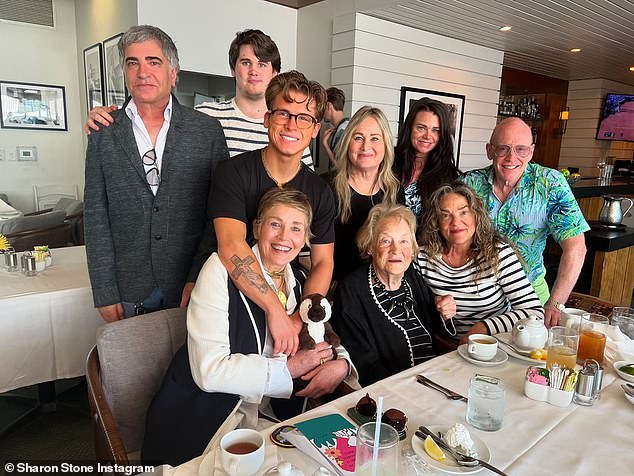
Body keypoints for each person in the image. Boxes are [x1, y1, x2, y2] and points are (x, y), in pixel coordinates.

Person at [141, 188, 357, 466]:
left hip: (274, 419)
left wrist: (342, 365)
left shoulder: (302, 281)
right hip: (206, 419)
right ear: (256, 228)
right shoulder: (218, 271)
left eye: (295, 228)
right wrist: (289, 370)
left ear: (305, 238)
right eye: (275, 224)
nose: (283, 238)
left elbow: (327, 336)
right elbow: (209, 372)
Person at [84, 25, 229, 322]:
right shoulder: (104, 132)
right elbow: (95, 217)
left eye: (153, 61)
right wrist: (104, 290)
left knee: (188, 367)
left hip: (191, 283)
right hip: (128, 288)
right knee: (133, 368)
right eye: (132, 62)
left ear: (173, 74)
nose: (142, 72)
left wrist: (199, 274)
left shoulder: (206, 131)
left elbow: (217, 213)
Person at [211, 70, 334, 356]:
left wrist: (298, 316)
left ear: (315, 129)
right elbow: (230, 245)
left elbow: (323, 263)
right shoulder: (233, 173)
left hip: (291, 299)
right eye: (283, 114)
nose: (292, 125)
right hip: (229, 297)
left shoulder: (320, 192)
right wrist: (274, 310)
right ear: (267, 119)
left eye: (303, 118)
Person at [84, 29, 313, 168]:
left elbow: (302, 186)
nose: (254, 71)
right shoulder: (205, 117)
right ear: (233, 70)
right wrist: (108, 117)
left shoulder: (291, 128)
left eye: (262, 64)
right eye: (245, 63)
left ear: (275, 73)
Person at [461, 117, 589, 327]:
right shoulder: (468, 184)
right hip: (477, 298)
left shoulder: (550, 183)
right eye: (503, 148)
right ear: (489, 151)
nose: (511, 157)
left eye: (521, 149)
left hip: (530, 296)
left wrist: (555, 303)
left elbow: (576, 248)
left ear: (531, 151)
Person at [330, 204, 455, 386]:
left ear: (412, 248)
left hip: (435, 377)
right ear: (370, 247)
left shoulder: (412, 276)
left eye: (404, 241)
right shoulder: (352, 290)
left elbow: (436, 329)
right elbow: (363, 361)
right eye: (386, 241)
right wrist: (405, 390)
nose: (396, 250)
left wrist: (445, 311)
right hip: (393, 390)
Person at [417, 182, 544, 344]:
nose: (456, 222)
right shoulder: (422, 257)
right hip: (446, 349)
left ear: (476, 215)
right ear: (436, 222)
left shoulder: (499, 254)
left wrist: (484, 327)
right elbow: (414, 310)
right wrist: (436, 308)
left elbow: (534, 313)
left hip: (494, 347)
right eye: (445, 215)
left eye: (464, 212)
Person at [324, 106, 401, 282]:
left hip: (378, 287)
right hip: (333, 285)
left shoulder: (394, 191)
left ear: (386, 145)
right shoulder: (326, 187)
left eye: (375, 138)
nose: (366, 146)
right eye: (358, 137)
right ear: (347, 142)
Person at [394, 97, 460, 225]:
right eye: (421, 128)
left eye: (436, 130)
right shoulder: (387, 160)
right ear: (410, 128)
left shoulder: (448, 175)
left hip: (423, 244)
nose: (428, 136)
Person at [321, 87, 350, 167]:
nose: (321, 112)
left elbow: (339, 166)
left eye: (322, 107)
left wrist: (325, 144)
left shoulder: (342, 130)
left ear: (329, 106)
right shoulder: (344, 126)